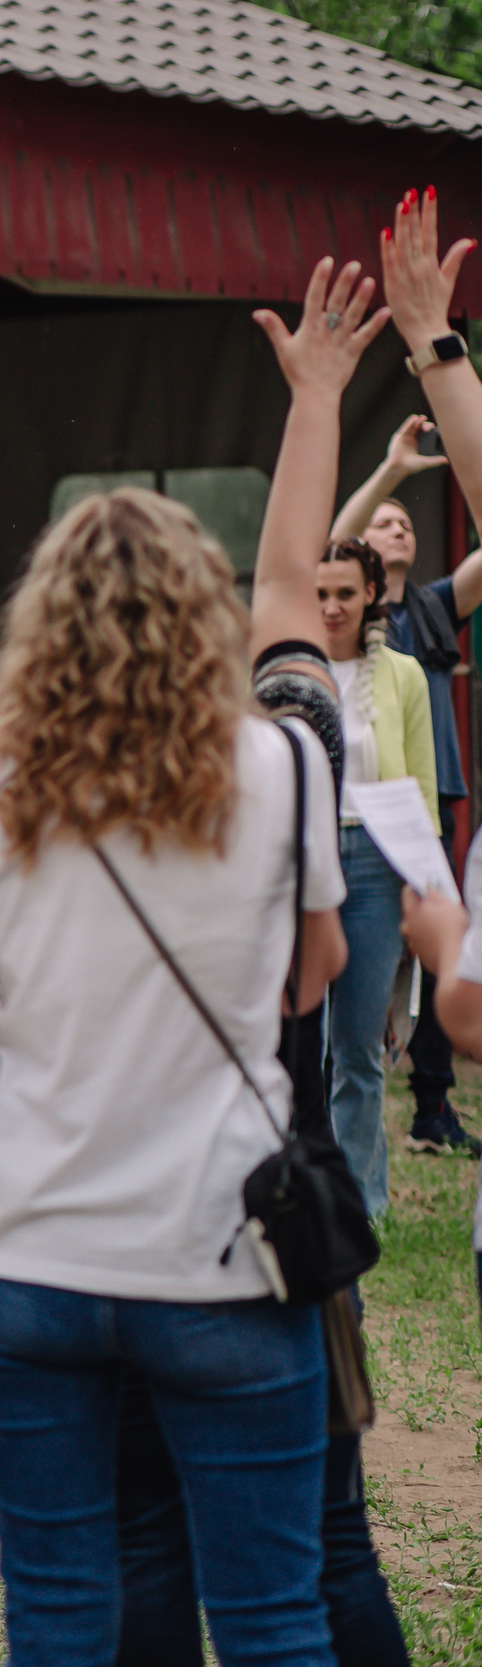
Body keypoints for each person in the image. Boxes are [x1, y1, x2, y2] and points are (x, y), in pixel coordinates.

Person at [0, 253, 379, 1667]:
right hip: (222, 1252)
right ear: (202, 611)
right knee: (278, 1626)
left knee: (59, 1629)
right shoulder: (283, 764)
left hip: (30, 1255)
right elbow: (315, 980)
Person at [334, 413, 482, 1157]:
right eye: (383, 523)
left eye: (404, 524)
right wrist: (393, 470)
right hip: (353, 819)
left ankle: (432, 1103)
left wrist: (466, 441)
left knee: (434, 947)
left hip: (428, 795)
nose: (395, 529)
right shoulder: (332, 608)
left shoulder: (429, 605)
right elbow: (327, 541)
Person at [315, 536, 435, 1218]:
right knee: (298, 1041)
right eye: (320, 593)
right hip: (301, 859)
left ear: (371, 597)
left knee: (357, 1044)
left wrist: (424, 885)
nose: (331, 606)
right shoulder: (286, 671)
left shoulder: (403, 675)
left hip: (376, 860)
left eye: (344, 593)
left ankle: (360, 1203)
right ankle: (298, 1192)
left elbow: (421, 784)